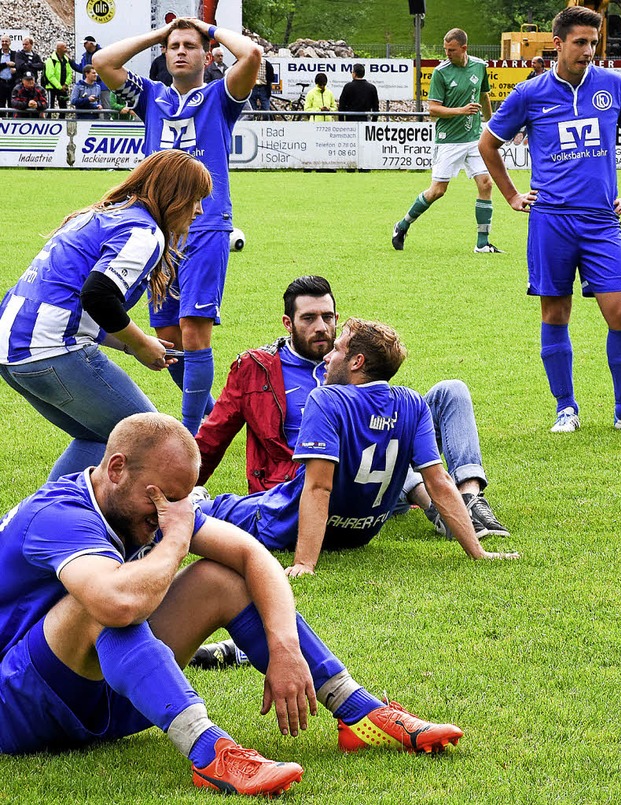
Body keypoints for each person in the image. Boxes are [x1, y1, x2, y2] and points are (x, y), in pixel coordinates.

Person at [0, 411, 464, 796]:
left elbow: (252, 554)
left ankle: (358, 711)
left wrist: (282, 647)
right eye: (163, 499)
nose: (171, 511)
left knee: (221, 579)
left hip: (98, 702)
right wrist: (177, 538)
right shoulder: (60, 516)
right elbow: (119, 604)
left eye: (182, 499)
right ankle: (209, 752)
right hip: (15, 710)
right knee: (106, 603)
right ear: (117, 469)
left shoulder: (152, 499)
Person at [196, 275, 510, 541]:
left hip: (376, 483)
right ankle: (435, 507)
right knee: (366, 441)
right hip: (308, 483)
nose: (321, 327)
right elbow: (213, 437)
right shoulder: (257, 369)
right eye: (308, 318)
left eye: (328, 317)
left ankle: (470, 497)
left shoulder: (351, 359)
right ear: (287, 323)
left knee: (450, 392)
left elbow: (387, 414)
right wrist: (180, 484)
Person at [93, 19, 261, 435]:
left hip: (206, 226)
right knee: (167, 335)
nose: (181, 51)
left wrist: (210, 27)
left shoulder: (221, 97)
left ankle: (193, 437)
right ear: (164, 56)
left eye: (190, 46)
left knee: (193, 330)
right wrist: (157, 35)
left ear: (207, 55)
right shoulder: (152, 97)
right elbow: (102, 61)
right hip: (158, 230)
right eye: (173, 47)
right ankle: (211, 419)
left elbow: (252, 55)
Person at [0, 150, 211, 481]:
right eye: (195, 199)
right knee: (154, 441)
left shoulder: (98, 215)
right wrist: (140, 344)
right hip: (51, 351)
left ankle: (42, 522)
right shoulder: (144, 231)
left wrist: (130, 345)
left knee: (101, 438)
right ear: (173, 194)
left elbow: (76, 304)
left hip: (11, 352)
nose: (199, 210)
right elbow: (98, 295)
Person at [478, 6, 621, 433]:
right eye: (580, 42)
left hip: (602, 222)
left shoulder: (613, 87)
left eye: (593, 43)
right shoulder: (530, 94)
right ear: (558, 43)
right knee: (555, 313)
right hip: (550, 220)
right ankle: (565, 408)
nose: (588, 51)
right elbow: (487, 144)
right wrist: (511, 195)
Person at [392, 28, 502, 254]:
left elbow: (484, 96)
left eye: (451, 50)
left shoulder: (479, 67)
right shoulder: (441, 72)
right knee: (437, 191)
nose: (447, 54)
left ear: (464, 48)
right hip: (448, 140)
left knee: (486, 184)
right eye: (445, 50)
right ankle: (402, 225)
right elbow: (432, 110)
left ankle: (482, 243)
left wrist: (491, 125)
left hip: (474, 139)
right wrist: (461, 111)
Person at [72, 35, 111, 110]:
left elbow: (106, 69)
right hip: (88, 86)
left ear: (91, 44)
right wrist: (72, 63)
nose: (84, 45)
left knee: (105, 107)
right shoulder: (85, 56)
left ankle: (106, 121)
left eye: (85, 43)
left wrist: (94, 77)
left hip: (102, 86)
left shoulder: (102, 54)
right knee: (89, 105)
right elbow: (82, 69)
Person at [43, 41, 73, 110]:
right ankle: (49, 120)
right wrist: (59, 87)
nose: (66, 49)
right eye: (64, 47)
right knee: (50, 106)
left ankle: (62, 120)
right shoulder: (50, 60)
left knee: (63, 107)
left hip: (63, 87)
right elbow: (50, 76)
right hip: (52, 87)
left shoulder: (66, 60)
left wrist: (65, 84)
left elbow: (69, 73)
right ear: (59, 49)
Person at [0, 34, 17, 108]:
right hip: (1, 83)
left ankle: (11, 119)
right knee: (1, 105)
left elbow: (19, 66)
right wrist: (6, 64)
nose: (4, 43)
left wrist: (16, 70)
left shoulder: (15, 54)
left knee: (12, 104)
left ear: (10, 43)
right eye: (2, 41)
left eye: (6, 41)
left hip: (12, 83)